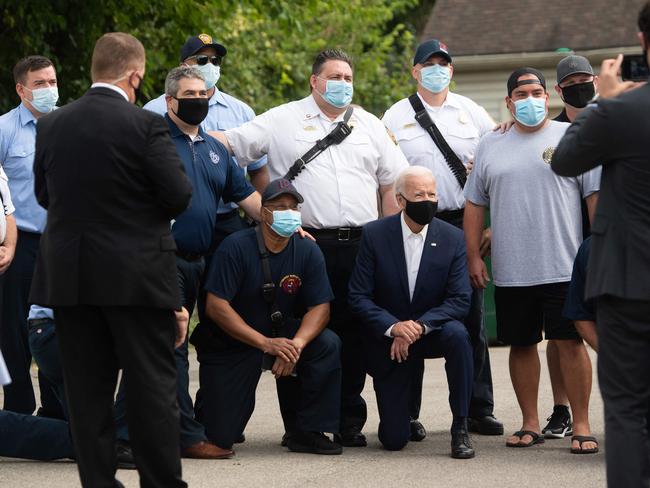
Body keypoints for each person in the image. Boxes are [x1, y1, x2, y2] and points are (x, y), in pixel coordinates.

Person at [210, 49, 408, 446]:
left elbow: (394, 182)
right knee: (305, 331)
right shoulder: (281, 119)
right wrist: (178, 129)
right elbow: (228, 145)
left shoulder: (369, 124)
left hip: (360, 243)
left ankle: (347, 419)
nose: (343, 84)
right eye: (335, 76)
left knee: (352, 335)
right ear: (314, 81)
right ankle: (301, 424)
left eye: (348, 77)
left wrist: (390, 235)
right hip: (305, 244)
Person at [30, 32, 191, 488]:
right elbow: (178, 196)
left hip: (72, 277)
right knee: (152, 389)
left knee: (87, 393)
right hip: (136, 277)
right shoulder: (145, 125)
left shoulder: (52, 125)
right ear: (135, 75)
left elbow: (46, 196)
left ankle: (98, 483)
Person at [117, 65, 261, 459]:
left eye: (204, 94)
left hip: (202, 262)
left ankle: (134, 429)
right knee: (172, 347)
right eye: (190, 94)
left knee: (191, 343)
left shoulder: (215, 148)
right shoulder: (151, 140)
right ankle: (183, 436)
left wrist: (283, 224)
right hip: (161, 258)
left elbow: (246, 196)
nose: (199, 100)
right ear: (169, 100)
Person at [464, 67, 600, 453]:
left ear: (548, 96)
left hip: (563, 264)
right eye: (520, 94)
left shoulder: (571, 137)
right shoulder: (491, 142)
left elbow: (594, 199)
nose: (529, 99)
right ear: (508, 102)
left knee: (569, 344)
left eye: (536, 92)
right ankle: (529, 422)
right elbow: (474, 204)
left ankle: (583, 425)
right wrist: (473, 256)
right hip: (512, 270)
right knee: (521, 345)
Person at [382, 38, 502, 438]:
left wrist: (488, 226)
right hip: (413, 222)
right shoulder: (395, 117)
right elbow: (385, 178)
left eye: (444, 64)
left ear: (452, 70)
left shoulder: (473, 114)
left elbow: (495, 166)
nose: (438, 70)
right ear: (415, 71)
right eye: (429, 64)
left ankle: (477, 408)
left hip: (461, 219)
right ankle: (409, 413)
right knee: (411, 314)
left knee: (470, 322)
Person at [551, 3, 650, 483]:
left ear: (642, 41)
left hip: (630, 281)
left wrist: (602, 103)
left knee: (629, 409)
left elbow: (565, 159)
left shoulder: (621, 110)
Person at [197, 178, 342, 455]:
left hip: (283, 333)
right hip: (236, 339)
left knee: (327, 343)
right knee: (220, 438)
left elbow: (321, 308)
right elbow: (216, 307)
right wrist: (265, 344)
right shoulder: (234, 247)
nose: (289, 212)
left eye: (293, 207)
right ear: (264, 213)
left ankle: (307, 431)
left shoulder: (308, 249)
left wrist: (295, 346)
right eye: (280, 206)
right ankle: (208, 409)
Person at [349, 166, 474, 458]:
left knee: (458, 335)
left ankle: (461, 426)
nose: (428, 200)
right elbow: (358, 296)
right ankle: (405, 418)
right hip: (392, 339)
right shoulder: (374, 234)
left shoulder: (452, 237)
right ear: (401, 200)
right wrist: (394, 327)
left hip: (432, 331)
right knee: (393, 440)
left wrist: (419, 326)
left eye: (432, 194)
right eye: (419, 195)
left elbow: (459, 299)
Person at [0, 55, 61, 419]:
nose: (49, 90)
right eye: (40, 84)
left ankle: (56, 411)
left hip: (61, 245)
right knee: (13, 330)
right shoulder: (4, 129)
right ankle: (18, 411)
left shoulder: (70, 125)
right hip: (19, 243)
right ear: (22, 89)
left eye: (52, 82)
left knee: (58, 327)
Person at [542, 54, 599, 439]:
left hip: (608, 237)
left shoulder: (614, 121)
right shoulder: (551, 131)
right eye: (572, 81)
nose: (580, 86)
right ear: (559, 90)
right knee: (561, 331)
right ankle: (562, 408)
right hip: (563, 239)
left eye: (585, 79)